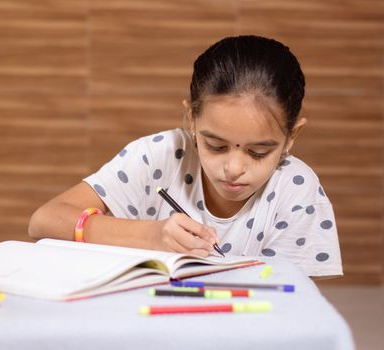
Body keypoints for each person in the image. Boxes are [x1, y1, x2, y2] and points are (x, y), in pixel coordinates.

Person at [28, 35, 342, 278]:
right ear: (191, 120)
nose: (233, 168)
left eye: (258, 152)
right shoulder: (159, 156)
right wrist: (150, 235)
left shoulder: (297, 190)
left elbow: (292, 305)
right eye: (216, 146)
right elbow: (44, 220)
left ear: (292, 137)